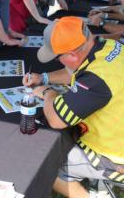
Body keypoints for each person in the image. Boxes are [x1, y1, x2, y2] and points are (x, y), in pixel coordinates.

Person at [23, 16, 124, 198]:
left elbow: (55, 119)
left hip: (116, 156)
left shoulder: (96, 81)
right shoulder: (106, 45)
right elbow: (77, 72)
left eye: (58, 57)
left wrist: (47, 92)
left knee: (45, 166)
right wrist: (43, 78)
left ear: (71, 54)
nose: (58, 61)